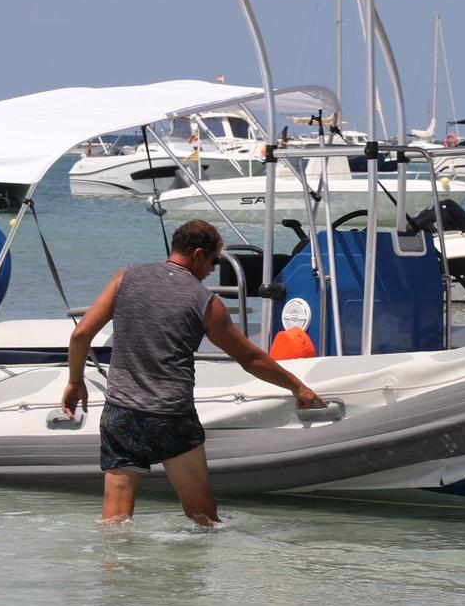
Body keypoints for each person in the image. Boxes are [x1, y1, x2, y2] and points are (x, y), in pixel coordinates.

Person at [60, 219, 323, 526]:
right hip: (171, 417)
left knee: (114, 524)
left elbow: (80, 336)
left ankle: (113, 573)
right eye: (213, 261)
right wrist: (297, 387)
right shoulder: (204, 302)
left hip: (122, 413)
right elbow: (249, 357)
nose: (211, 270)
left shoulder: (125, 278)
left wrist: (75, 381)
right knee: (204, 518)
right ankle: (195, 574)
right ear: (198, 254)